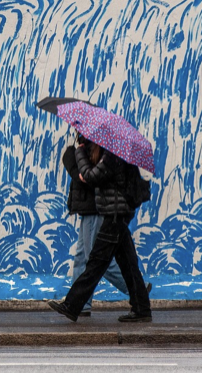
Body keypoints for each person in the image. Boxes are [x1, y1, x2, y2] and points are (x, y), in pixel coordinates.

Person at [49, 142, 152, 322]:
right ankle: (142, 308)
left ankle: (72, 305)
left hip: (114, 215)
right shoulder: (117, 153)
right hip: (117, 213)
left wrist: (78, 153)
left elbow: (90, 176)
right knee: (128, 263)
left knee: (96, 261)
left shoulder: (112, 155)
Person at [63, 135, 133, 316]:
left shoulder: (98, 152)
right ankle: (81, 305)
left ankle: (134, 288)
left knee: (95, 259)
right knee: (81, 259)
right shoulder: (89, 149)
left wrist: (74, 157)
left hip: (94, 209)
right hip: (86, 208)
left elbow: (86, 177)